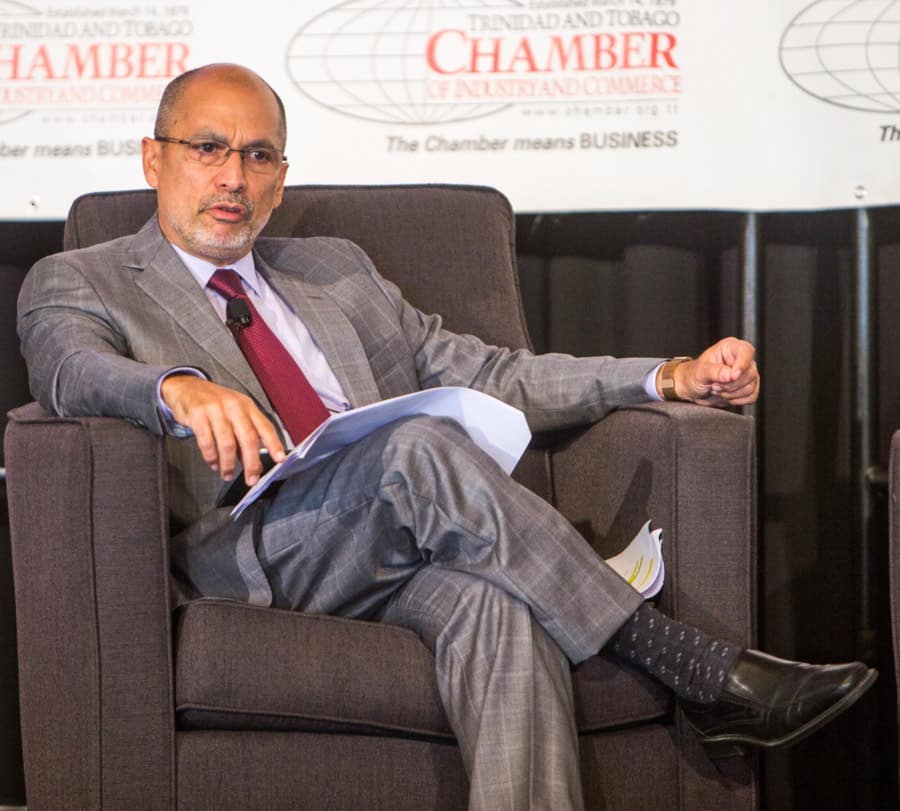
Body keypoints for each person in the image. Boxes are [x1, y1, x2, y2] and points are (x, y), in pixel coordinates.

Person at [18, 63, 876, 810]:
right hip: (247, 546)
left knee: (499, 606)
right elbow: (67, 370)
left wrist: (666, 376)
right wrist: (175, 387)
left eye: (258, 155)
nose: (233, 175)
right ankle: (688, 663)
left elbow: (489, 372)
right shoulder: (83, 276)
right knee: (416, 446)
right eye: (208, 147)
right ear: (153, 157)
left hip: (391, 548)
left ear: (280, 180)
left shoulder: (335, 272)